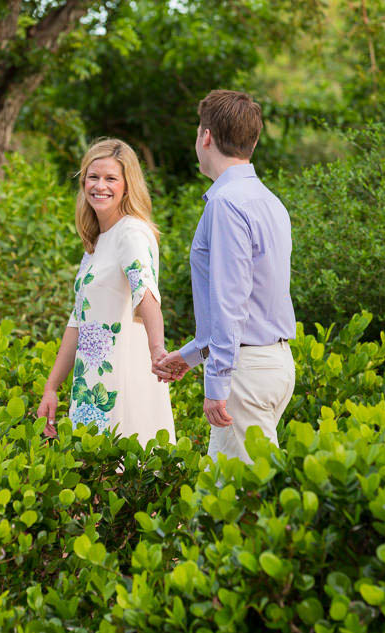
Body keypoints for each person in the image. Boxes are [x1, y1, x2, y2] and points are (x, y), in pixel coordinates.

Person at [154, 90, 296, 463]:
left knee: (250, 505)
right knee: (218, 502)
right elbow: (253, 300)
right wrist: (190, 356)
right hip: (273, 364)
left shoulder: (225, 203)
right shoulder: (269, 201)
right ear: (254, 140)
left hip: (245, 374)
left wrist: (217, 383)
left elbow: (231, 303)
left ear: (206, 137)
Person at [37, 139, 175, 445]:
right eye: (93, 177)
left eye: (111, 178)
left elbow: (146, 293)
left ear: (128, 185)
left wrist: (158, 353)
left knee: (118, 475)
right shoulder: (99, 241)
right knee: (93, 476)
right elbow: (78, 320)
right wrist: (52, 387)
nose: (100, 186)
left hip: (122, 376)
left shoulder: (131, 232)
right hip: (92, 380)